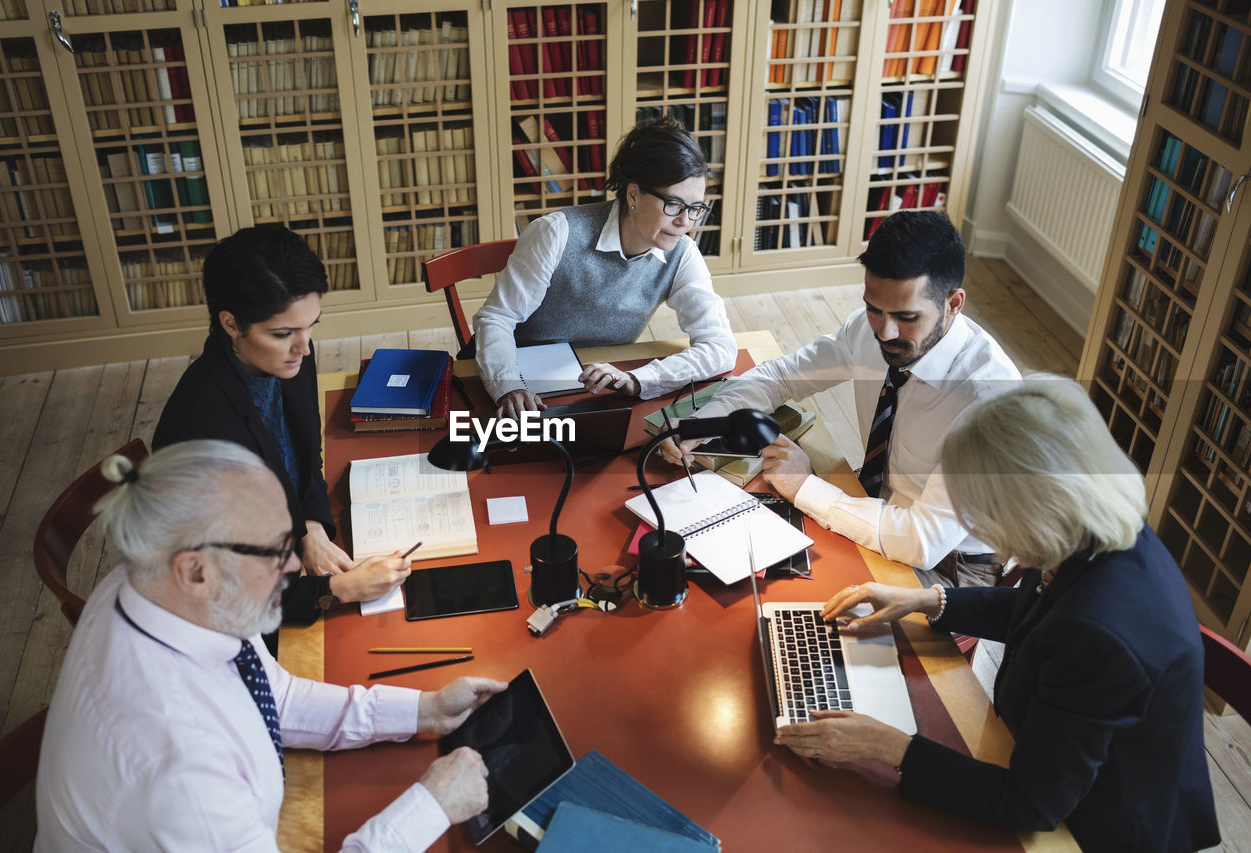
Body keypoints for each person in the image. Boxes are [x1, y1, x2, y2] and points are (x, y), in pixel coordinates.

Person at [774, 376, 1219, 852]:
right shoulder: (1096, 531)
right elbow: (1047, 611)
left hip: (1097, 829)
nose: (978, 531)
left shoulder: (1100, 635)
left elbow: (1032, 806)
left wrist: (887, 747)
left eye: (985, 515)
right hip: (1047, 756)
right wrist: (927, 600)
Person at [35, 440, 505, 851]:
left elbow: (273, 698)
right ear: (196, 570)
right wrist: (430, 806)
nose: (293, 568)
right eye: (276, 552)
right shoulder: (180, 768)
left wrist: (426, 711)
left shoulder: (157, 588)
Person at [663, 211, 1020, 586]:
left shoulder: (987, 399)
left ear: (954, 304)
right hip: (874, 505)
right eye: (873, 309)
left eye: (907, 316)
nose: (885, 332)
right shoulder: (869, 330)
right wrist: (703, 423)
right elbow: (781, 376)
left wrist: (804, 486)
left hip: (950, 563)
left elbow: (922, 541)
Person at [154, 224, 402, 626]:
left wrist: (311, 527)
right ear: (232, 324)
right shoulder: (199, 434)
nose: (304, 348)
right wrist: (340, 591)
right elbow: (223, 590)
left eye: (310, 327)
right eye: (284, 333)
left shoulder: (286, 357)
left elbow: (303, 456)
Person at [473, 115, 737, 419]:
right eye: (673, 205)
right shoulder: (557, 233)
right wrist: (508, 387)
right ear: (633, 193)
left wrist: (639, 379)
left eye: (695, 209)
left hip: (594, 386)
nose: (684, 222)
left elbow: (720, 347)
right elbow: (497, 318)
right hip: (518, 382)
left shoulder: (682, 253)